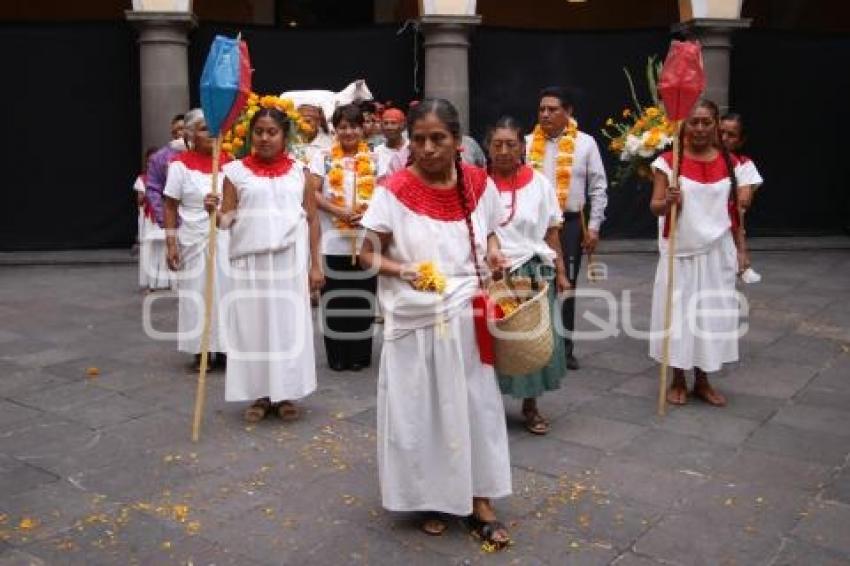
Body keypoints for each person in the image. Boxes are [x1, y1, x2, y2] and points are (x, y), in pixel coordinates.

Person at [359, 98, 513, 547]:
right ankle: (432, 495)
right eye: (419, 139)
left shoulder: (480, 184)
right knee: (422, 408)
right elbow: (366, 254)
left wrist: (495, 250)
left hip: (467, 312)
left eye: (437, 139)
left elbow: (488, 232)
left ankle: (481, 498)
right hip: (415, 314)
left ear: (456, 139)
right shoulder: (392, 189)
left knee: (476, 405)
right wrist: (403, 270)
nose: (427, 148)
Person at [213, 104, 324, 422]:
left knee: (288, 329)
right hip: (251, 264)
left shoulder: (300, 173)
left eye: (271, 132)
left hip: (289, 262)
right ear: (250, 136)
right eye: (258, 132)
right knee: (254, 329)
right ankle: (260, 394)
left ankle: (286, 392)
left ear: (284, 136)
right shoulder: (234, 173)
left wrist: (316, 266)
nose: (264, 138)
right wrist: (215, 212)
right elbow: (227, 220)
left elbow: (313, 221)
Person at [649, 99, 752, 407]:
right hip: (680, 251)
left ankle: (704, 380)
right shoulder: (668, 161)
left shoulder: (732, 164)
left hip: (717, 252)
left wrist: (742, 252)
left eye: (707, 122)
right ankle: (678, 379)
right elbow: (655, 206)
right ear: (683, 125)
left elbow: (737, 213)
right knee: (680, 315)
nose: (700, 128)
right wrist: (667, 200)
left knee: (709, 316)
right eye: (694, 122)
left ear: (716, 124)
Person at [486, 117, 570, 435]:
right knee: (488, 343)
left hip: (532, 272)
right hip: (490, 272)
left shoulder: (539, 183)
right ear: (488, 148)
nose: (505, 151)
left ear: (522, 147)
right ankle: (487, 407)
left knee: (530, 340)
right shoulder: (477, 184)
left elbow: (551, 232)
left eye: (511, 144)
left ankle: (531, 407)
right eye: (498, 144)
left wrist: (561, 272)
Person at [526, 86, 608, 370]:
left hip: (570, 223)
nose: (545, 114)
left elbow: (598, 187)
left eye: (552, 109)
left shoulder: (585, 144)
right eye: (541, 109)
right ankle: (534, 343)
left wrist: (594, 227)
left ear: (568, 112)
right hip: (533, 227)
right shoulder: (526, 144)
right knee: (533, 282)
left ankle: (566, 347)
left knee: (567, 285)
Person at [308, 104, 378, 372]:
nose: (348, 131)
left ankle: (360, 355)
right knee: (335, 299)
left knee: (362, 298)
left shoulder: (375, 158)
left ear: (363, 129)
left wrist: (367, 212)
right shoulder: (323, 158)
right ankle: (337, 356)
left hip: (366, 242)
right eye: (343, 126)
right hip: (332, 242)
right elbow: (312, 193)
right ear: (335, 129)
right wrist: (338, 210)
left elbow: (385, 193)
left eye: (354, 126)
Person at [163, 109, 230, 372]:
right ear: (190, 135)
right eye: (203, 129)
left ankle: (225, 346)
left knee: (226, 291)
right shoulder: (179, 166)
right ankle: (201, 349)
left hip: (225, 233)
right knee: (197, 292)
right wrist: (170, 243)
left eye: (214, 128)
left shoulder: (231, 162)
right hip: (193, 235)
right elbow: (169, 206)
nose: (210, 134)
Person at [720, 113, 765, 282]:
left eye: (731, 135)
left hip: (728, 229)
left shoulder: (744, 164)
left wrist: (741, 250)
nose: (724, 138)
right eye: (721, 132)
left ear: (740, 141)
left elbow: (743, 203)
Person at [143, 128, 186, 292]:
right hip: (178, 220)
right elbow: (153, 189)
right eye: (178, 129)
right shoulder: (161, 157)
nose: (181, 133)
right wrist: (164, 217)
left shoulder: (214, 153)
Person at [133, 147, 157, 260]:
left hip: (161, 216)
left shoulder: (165, 178)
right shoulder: (141, 179)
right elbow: (140, 201)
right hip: (148, 218)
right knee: (148, 248)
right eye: (149, 161)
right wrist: (150, 190)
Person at [290, 102, 333, 166]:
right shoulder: (290, 141)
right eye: (299, 121)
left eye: (307, 121)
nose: (302, 125)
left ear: (318, 122)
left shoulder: (329, 142)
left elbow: (328, 169)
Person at [374, 107, 408, 180]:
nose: (389, 127)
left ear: (402, 126)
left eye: (393, 123)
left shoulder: (411, 147)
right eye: (386, 123)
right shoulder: (376, 152)